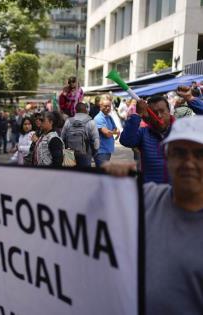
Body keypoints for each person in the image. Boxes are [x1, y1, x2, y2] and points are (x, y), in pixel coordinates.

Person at [102, 115, 203, 314]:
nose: (188, 163)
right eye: (179, 153)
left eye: (200, 154)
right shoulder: (146, 198)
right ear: (167, 157)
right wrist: (104, 184)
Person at [120, 96, 173, 184]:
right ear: (148, 115)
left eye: (162, 111)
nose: (159, 116)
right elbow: (126, 140)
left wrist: (190, 98)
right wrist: (138, 115)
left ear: (169, 111)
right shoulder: (144, 133)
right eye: (154, 113)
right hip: (150, 192)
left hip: (178, 194)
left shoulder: (180, 131)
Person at [62, 102, 99, 167]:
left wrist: (64, 151)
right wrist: (95, 152)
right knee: (84, 174)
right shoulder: (91, 121)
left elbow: (62, 137)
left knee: (69, 175)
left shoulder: (68, 121)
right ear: (86, 110)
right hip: (85, 153)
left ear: (75, 110)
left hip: (69, 152)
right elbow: (96, 140)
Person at [94, 95, 120, 167]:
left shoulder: (109, 116)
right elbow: (107, 134)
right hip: (101, 151)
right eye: (105, 106)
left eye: (109, 106)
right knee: (102, 174)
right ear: (100, 106)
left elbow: (115, 128)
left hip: (107, 150)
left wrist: (115, 131)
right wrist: (116, 132)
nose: (107, 108)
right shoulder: (99, 118)